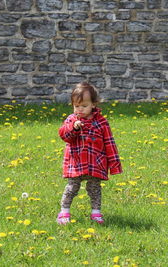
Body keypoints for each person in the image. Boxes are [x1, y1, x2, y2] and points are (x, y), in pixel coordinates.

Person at [57, 82, 122, 225]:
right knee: (71, 188)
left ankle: (96, 213)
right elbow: (63, 135)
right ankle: (64, 212)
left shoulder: (101, 123)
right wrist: (73, 128)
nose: (80, 109)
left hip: (95, 163)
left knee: (94, 188)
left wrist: (114, 165)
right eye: (76, 106)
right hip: (76, 162)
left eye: (84, 106)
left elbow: (110, 144)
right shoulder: (71, 120)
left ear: (93, 104)